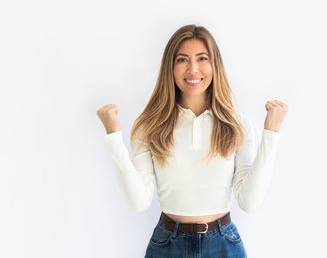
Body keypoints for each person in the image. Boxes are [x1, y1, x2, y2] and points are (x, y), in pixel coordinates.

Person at [96, 24, 288, 258]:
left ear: (214, 64)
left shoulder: (236, 125)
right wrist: (113, 135)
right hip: (167, 245)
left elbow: (248, 200)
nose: (193, 69)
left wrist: (272, 131)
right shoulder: (150, 125)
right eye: (182, 60)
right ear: (171, 67)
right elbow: (139, 202)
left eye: (202, 58)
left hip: (223, 246)